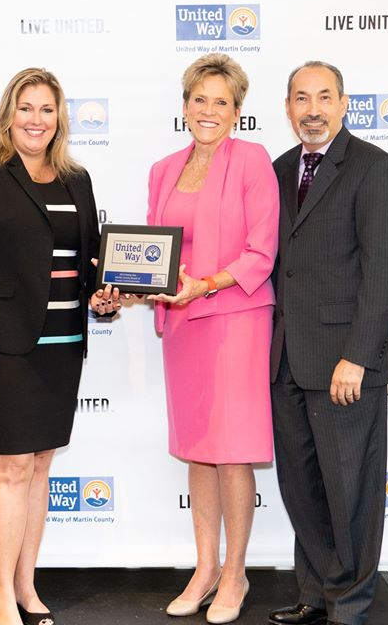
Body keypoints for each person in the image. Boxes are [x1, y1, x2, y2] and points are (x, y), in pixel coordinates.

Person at [0, 68, 121, 625]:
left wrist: (103, 295)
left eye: (46, 109)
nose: (36, 119)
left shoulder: (77, 179)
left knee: (38, 467)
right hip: (1, 345)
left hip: (62, 346)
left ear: (59, 118)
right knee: (9, 469)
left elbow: (83, 260)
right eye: (26, 107)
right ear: (8, 113)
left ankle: (26, 586)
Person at [268, 61, 388, 625]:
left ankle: (348, 604)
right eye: (301, 99)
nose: (313, 110)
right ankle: (315, 591)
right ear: (287, 108)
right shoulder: (279, 171)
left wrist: (358, 356)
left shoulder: (375, 169)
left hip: (344, 365)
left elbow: (387, 271)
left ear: (344, 103)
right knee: (303, 487)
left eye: (324, 97)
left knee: (350, 490)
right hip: (286, 362)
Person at [144, 54, 278, 624]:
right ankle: (204, 567)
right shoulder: (162, 168)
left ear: (238, 113)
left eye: (221, 102)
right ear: (184, 106)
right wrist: (125, 288)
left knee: (231, 449)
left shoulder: (252, 161)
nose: (208, 110)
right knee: (198, 448)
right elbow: (152, 254)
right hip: (182, 326)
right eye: (199, 99)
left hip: (235, 318)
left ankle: (235, 573)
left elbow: (261, 250)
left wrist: (205, 285)